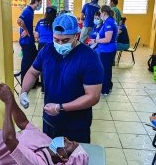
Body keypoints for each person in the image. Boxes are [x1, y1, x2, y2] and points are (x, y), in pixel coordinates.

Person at [20, 14, 104, 143]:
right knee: (50, 158)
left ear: (76, 35)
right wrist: (24, 91)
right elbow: (32, 72)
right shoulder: (47, 50)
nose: (59, 44)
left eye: (65, 40)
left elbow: (93, 96)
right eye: (56, 39)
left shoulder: (89, 57)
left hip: (76, 126)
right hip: (50, 121)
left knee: (73, 160)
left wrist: (60, 107)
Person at [90, 5, 118, 95]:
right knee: (107, 69)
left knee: (105, 70)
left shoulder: (109, 22)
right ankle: (108, 86)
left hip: (107, 50)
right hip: (107, 50)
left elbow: (107, 39)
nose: (100, 14)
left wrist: (95, 40)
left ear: (104, 13)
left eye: (101, 13)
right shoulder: (109, 21)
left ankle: (105, 89)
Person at [17, 0, 42, 85]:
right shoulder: (27, 10)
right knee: (26, 63)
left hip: (29, 41)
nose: (40, 6)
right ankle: (24, 83)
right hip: (26, 42)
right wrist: (26, 30)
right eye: (40, 3)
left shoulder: (31, 11)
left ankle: (33, 82)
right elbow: (19, 21)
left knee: (34, 59)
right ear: (36, 2)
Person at [34, 6, 57, 92]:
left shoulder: (40, 22)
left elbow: (36, 35)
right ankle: (52, 86)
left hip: (42, 46)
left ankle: (44, 87)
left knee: (43, 65)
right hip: (53, 46)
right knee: (54, 65)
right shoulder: (56, 23)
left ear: (46, 13)